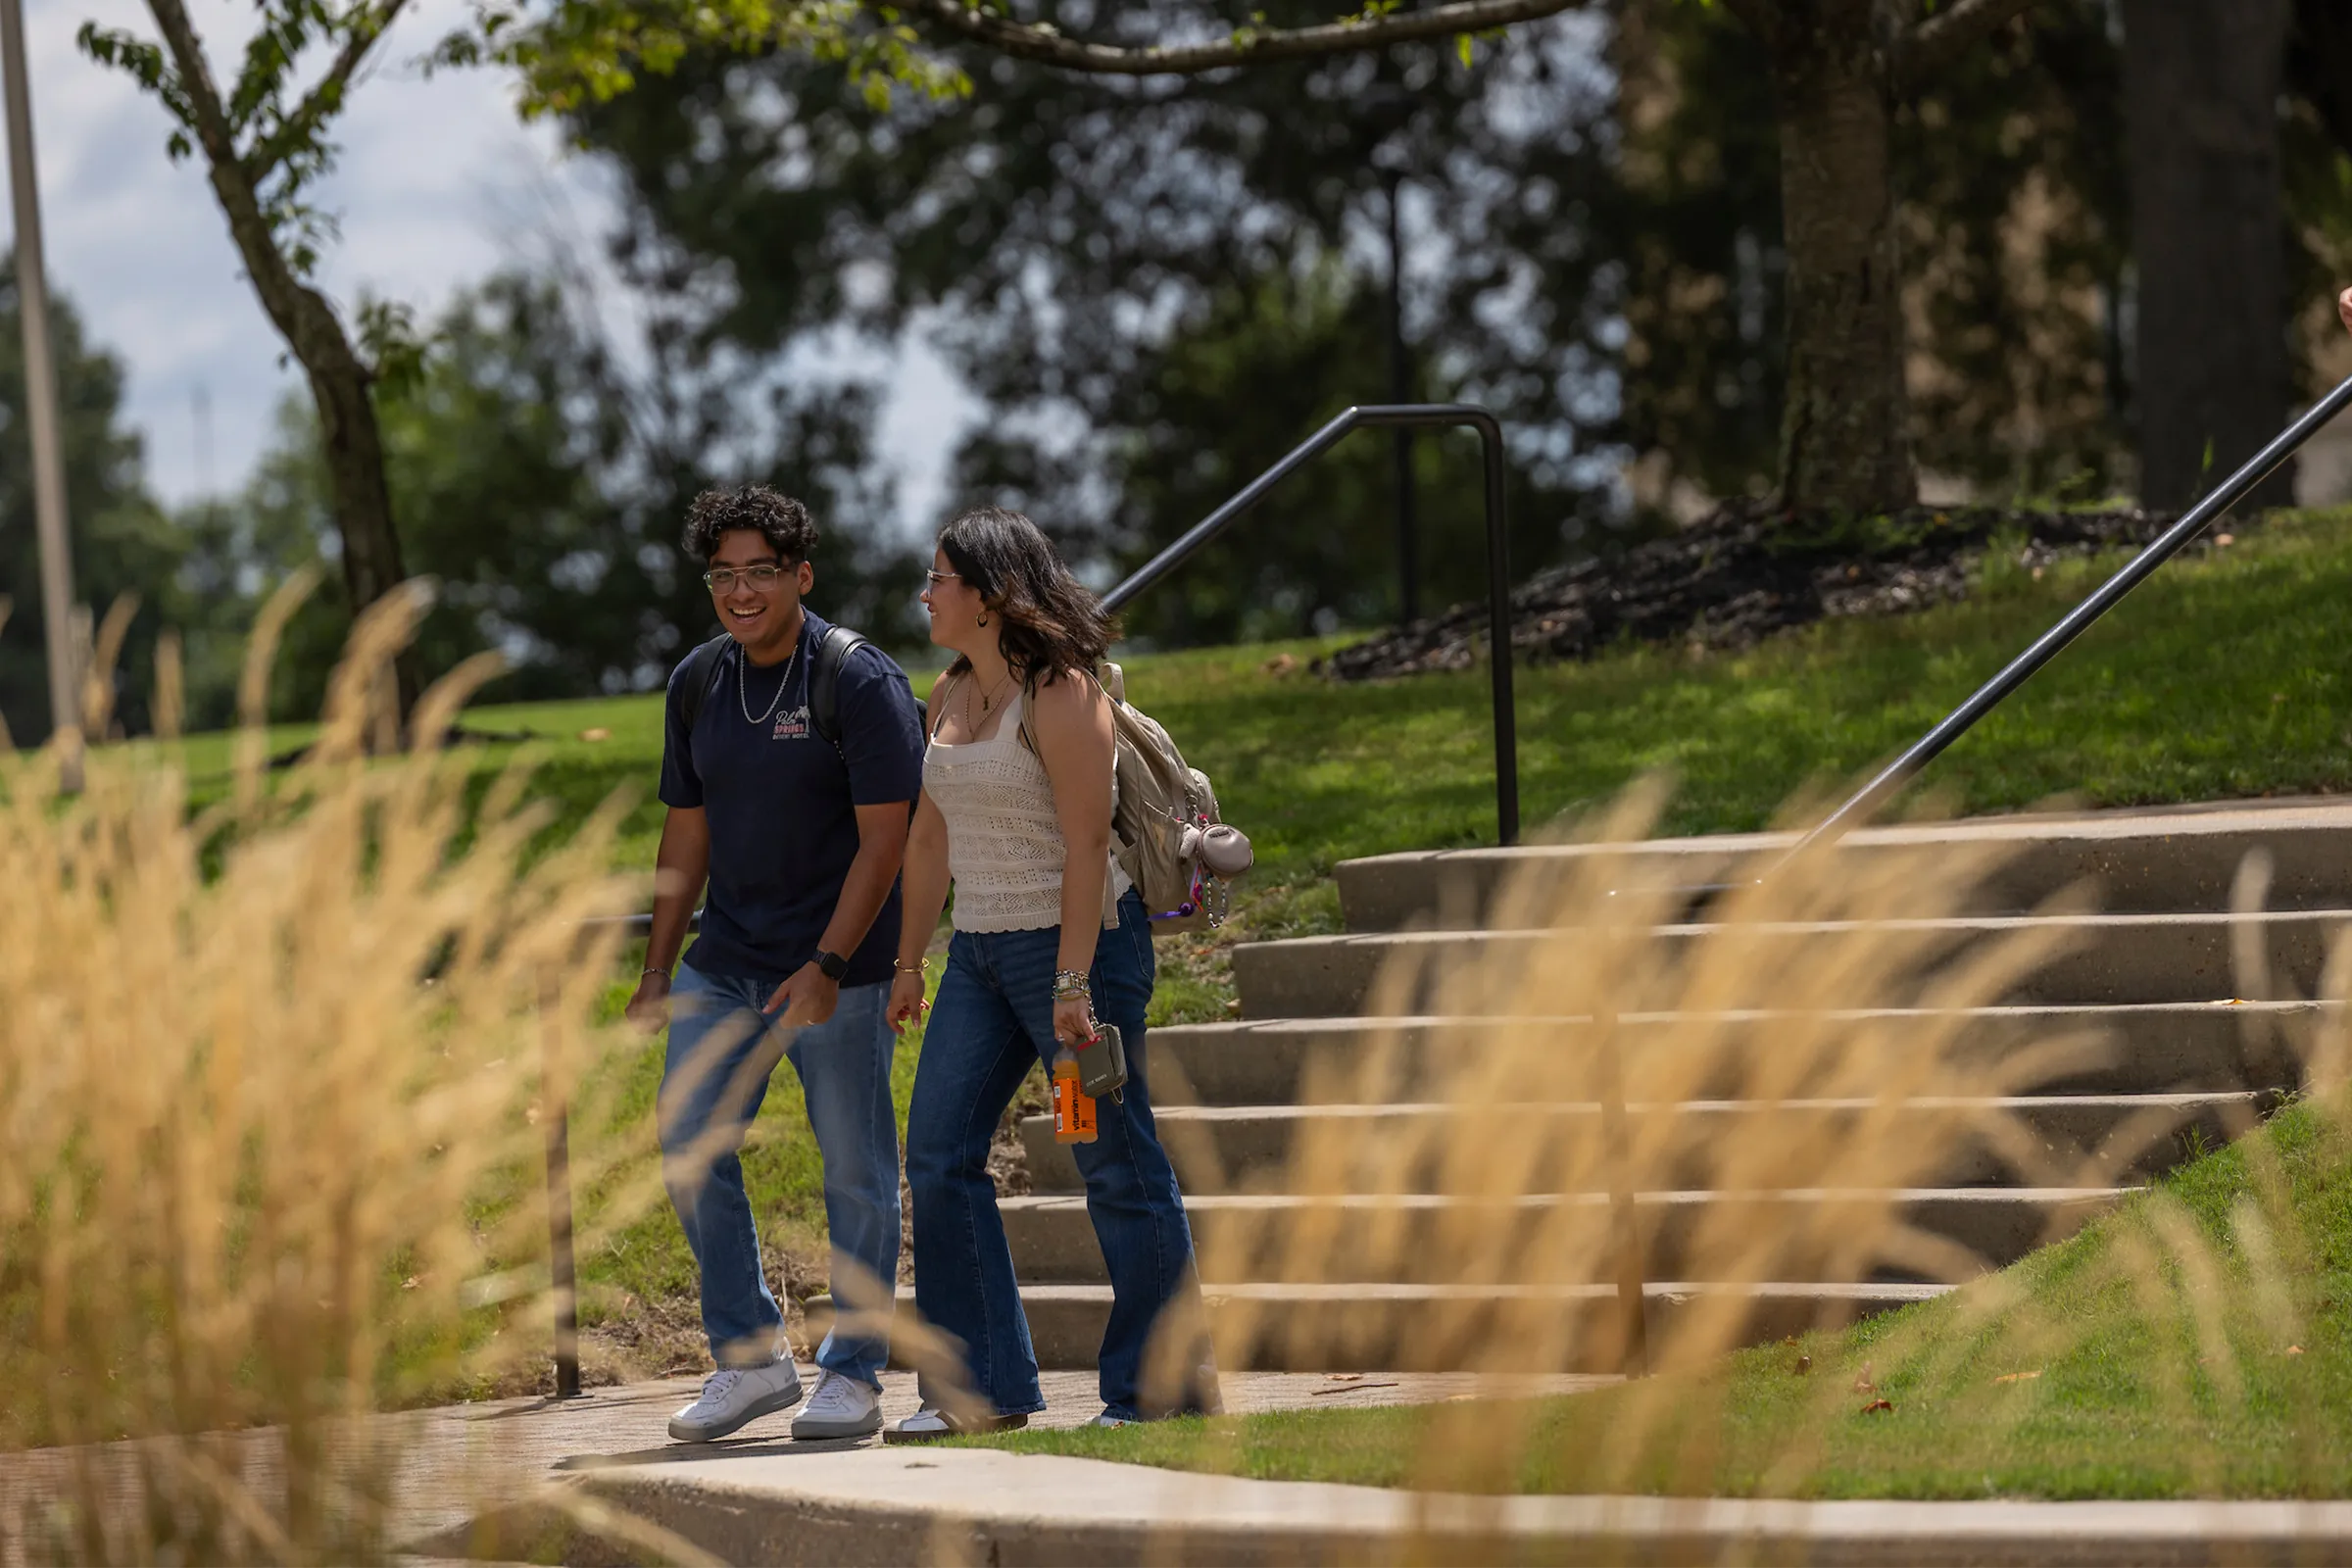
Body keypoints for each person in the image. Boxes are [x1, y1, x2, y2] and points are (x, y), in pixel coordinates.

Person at [883, 506, 1217, 1440]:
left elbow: (1081, 845)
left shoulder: (1064, 693)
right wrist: (910, 960)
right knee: (939, 1157)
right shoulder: (948, 694)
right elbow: (928, 835)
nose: (926, 593)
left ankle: (1158, 1391)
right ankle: (977, 1390)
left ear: (988, 596)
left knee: (1112, 1160)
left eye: (940, 579)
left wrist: (1073, 985)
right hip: (981, 955)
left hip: (1081, 950)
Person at [628, 484, 925, 1444]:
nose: (741, 591)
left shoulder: (857, 679)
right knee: (688, 1142)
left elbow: (887, 843)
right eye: (723, 575)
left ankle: (855, 1371)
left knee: (855, 1170)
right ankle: (751, 1360)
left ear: (802, 575)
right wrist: (657, 968)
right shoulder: (698, 683)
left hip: (837, 968)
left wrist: (832, 962)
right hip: (728, 963)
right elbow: (687, 834)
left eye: (762, 572)